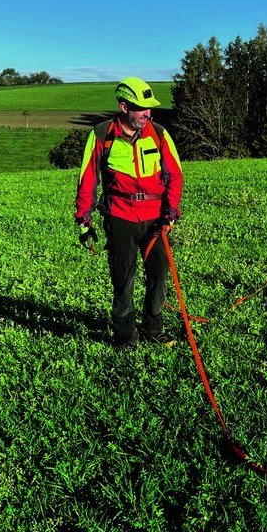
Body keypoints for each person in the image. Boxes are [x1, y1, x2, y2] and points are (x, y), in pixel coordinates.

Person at [74, 77, 184, 348]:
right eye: (141, 108)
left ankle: (152, 331)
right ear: (124, 107)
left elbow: (175, 176)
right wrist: (84, 221)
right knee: (123, 280)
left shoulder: (158, 133)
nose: (148, 113)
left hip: (157, 219)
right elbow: (87, 179)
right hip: (119, 217)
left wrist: (170, 213)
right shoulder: (101, 135)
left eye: (149, 109)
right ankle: (125, 337)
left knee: (158, 275)